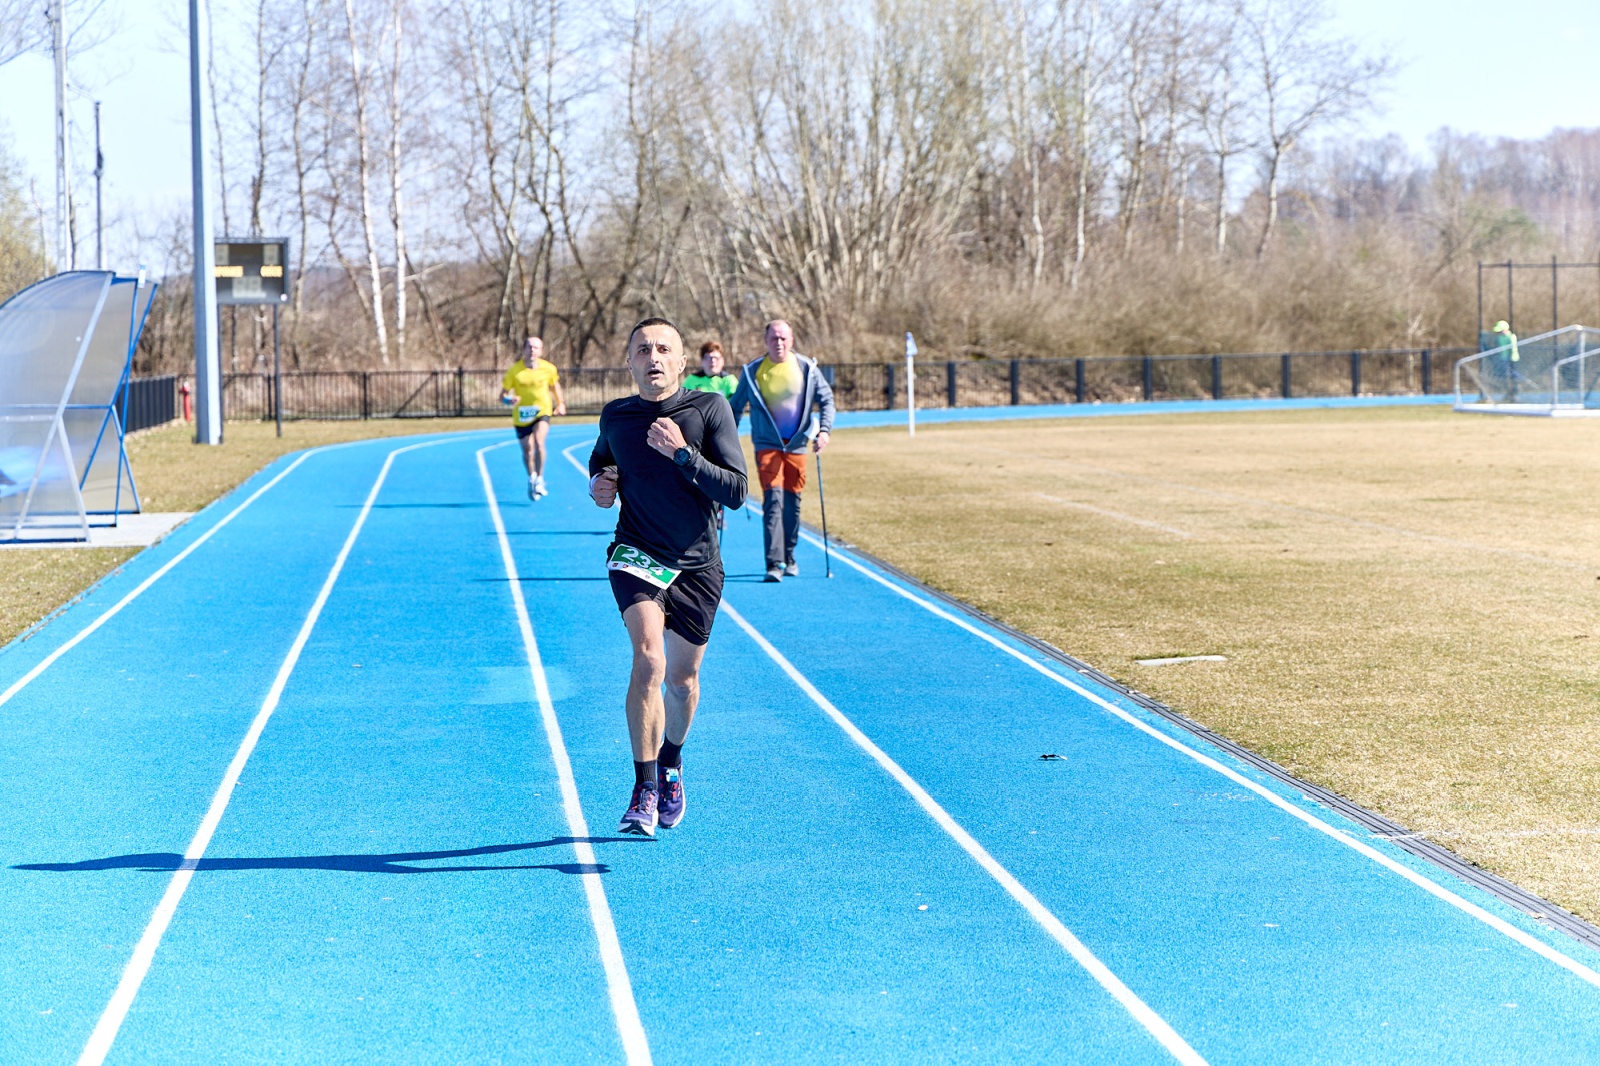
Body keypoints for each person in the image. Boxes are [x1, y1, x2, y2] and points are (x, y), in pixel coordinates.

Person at [589, 317, 748, 837]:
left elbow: (736, 491)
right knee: (649, 659)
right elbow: (602, 463)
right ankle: (644, 785)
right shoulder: (616, 416)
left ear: (682, 361)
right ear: (629, 362)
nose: (653, 357)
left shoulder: (709, 408)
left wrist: (683, 454)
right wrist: (599, 484)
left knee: (682, 682)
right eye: (642, 350)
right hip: (636, 552)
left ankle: (672, 761)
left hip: (698, 563)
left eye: (664, 349)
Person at [728, 319, 835, 582]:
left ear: (792, 340)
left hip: (797, 445)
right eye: (774, 338)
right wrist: (725, 441)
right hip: (767, 445)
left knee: (793, 504)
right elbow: (734, 408)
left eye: (783, 338)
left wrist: (824, 430)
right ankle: (774, 563)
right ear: (765, 341)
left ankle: (790, 556)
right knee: (773, 502)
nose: (779, 343)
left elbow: (827, 400)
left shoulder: (807, 368)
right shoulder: (753, 371)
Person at [501, 337, 567, 500]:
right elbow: (502, 395)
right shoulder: (514, 371)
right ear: (523, 349)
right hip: (522, 415)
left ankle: (539, 478)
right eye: (529, 347)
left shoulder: (548, 368)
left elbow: (554, 386)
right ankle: (531, 477)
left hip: (541, 411)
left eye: (536, 347)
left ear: (541, 351)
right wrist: (509, 399)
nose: (532, 350)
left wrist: (560, 404)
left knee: (539, 442)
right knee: (527, 450)